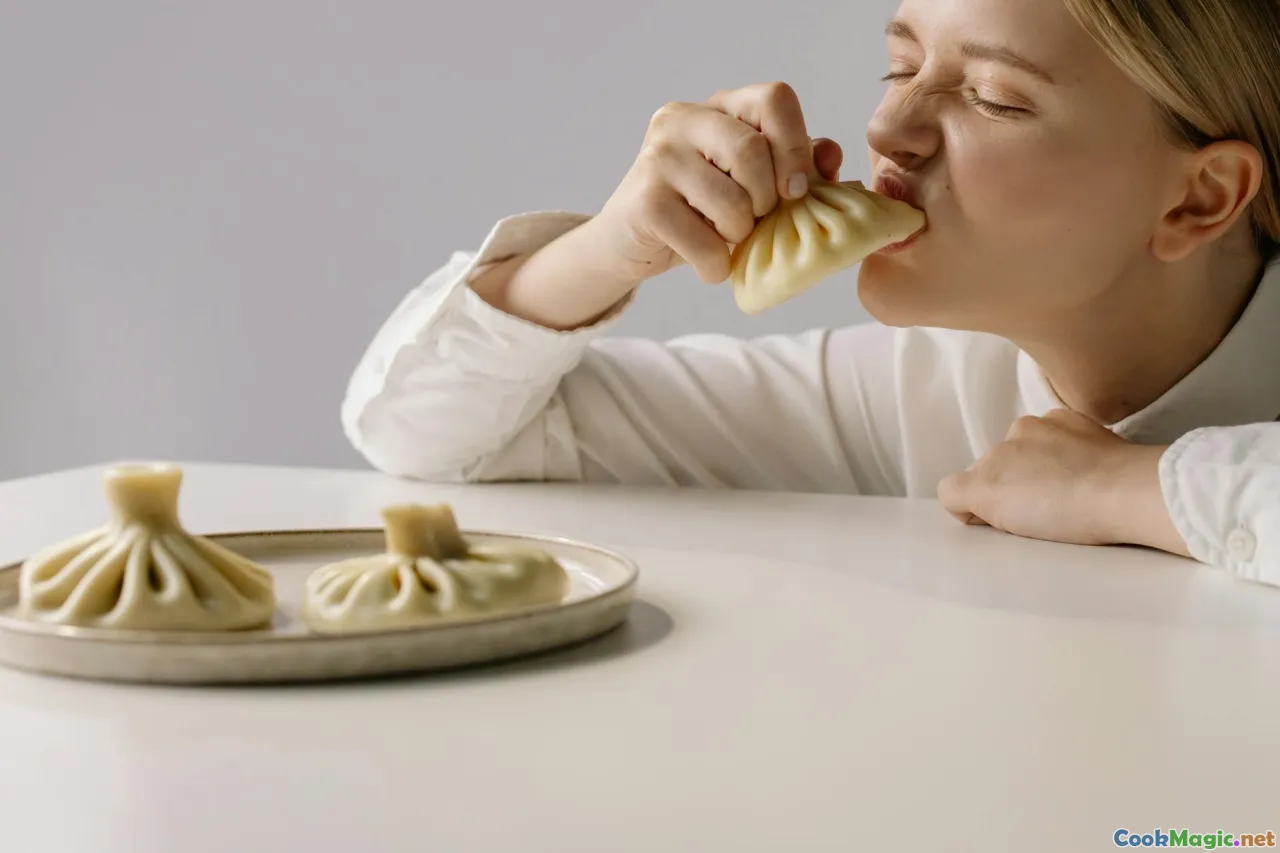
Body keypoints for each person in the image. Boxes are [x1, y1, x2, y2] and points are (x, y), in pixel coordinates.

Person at [341, 0, 1280, 585]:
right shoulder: (900, 394)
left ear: (1198, 199)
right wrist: (608, 249)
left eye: (992, 96)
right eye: (903, 64)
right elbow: (427, 436)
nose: (888, 127)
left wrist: (1128, 487)